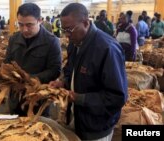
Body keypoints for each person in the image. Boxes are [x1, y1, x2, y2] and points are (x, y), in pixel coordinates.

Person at [49, 3, 128, 141]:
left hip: (96, 126)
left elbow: (117, 97)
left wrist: (79, 98)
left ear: (85, 23)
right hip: (77, 117)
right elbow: (71, 71)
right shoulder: (75, 43)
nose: (67, 35)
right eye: (64, 30)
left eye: (70, 29)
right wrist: (62, 83)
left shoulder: (107, 49)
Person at [4, 3, 62, 116]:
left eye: (29, 25)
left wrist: (29, 79)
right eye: (20, 25)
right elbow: (7, 62)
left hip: (37, 100)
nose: (24, 29)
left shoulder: (51, 42)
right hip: (15, 97)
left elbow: (55, 70)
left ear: (39, 20)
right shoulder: (14, 39)